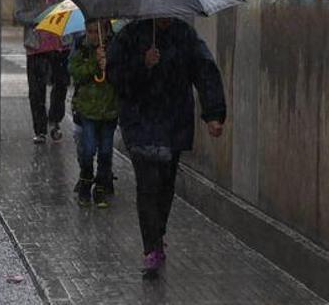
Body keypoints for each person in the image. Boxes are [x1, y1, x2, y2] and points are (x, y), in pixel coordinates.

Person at [107, 17, 226, 275]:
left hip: (173, 123)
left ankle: (158, 233)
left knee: (165, 185)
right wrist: (143, 64)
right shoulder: (129, 36)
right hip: (140, 123)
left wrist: (213, 113)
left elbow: (205, 70)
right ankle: (150, 247)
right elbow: (116, 78)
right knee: (147, 185)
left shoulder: (184, 36)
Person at [13, 0, 72, 144]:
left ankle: (54, 120)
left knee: (61, 85)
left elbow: (70, 10)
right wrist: (39, 14)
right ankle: (40, 129)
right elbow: (19, 14)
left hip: (60, 45)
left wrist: (57, 12)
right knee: (36, 91)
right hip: (36, 47)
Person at [68, 19, 118, 208]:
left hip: (109, 111)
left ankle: (101, 187)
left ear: (106, 33)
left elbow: (121, 76)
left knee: (105, 152)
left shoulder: (114, 49)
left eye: (97, 32)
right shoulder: (81, 47)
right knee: (88, 150)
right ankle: (86, 180)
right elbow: (75, 71)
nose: (93, 36)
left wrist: (109, 66)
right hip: (87, 111)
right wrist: (94, 65)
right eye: (90, 32)